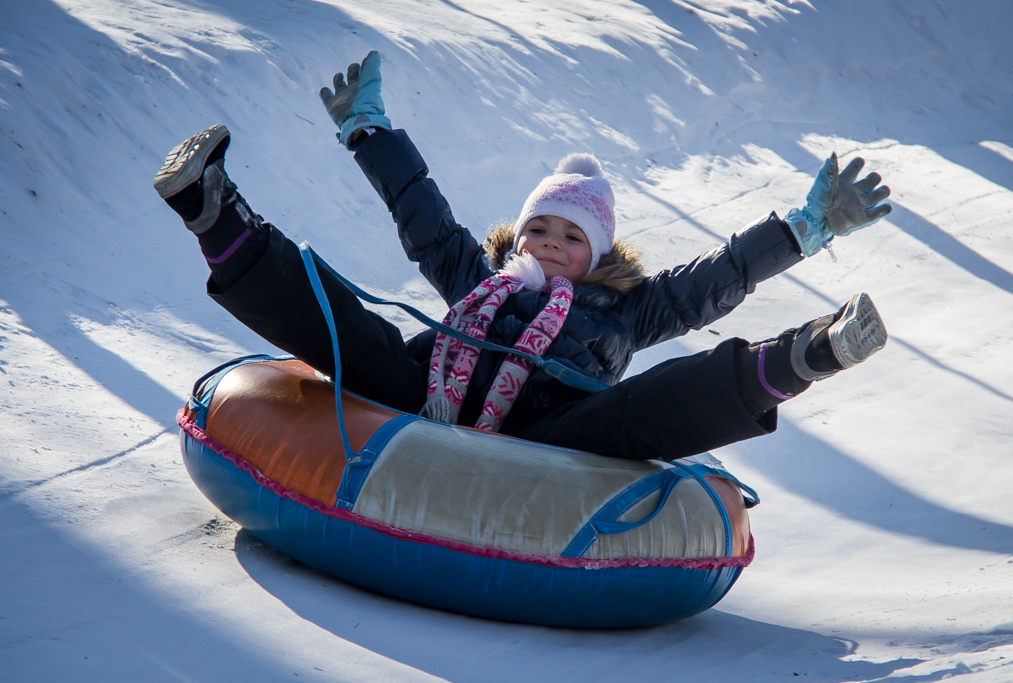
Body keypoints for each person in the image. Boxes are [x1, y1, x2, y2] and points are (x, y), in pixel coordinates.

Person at [153, 52, 891, 462]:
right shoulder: (483, 279)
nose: (551, 244)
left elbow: (716, 281)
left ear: (596, 252)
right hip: (428, 404)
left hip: (551, 441)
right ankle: (217, 213)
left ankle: (813, 352)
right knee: (360, 336)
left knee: (640, 409)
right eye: (540, 228)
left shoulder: (629, 309)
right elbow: (426, 221)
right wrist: (370, 134)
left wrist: (801, 228)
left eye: (571, 237)